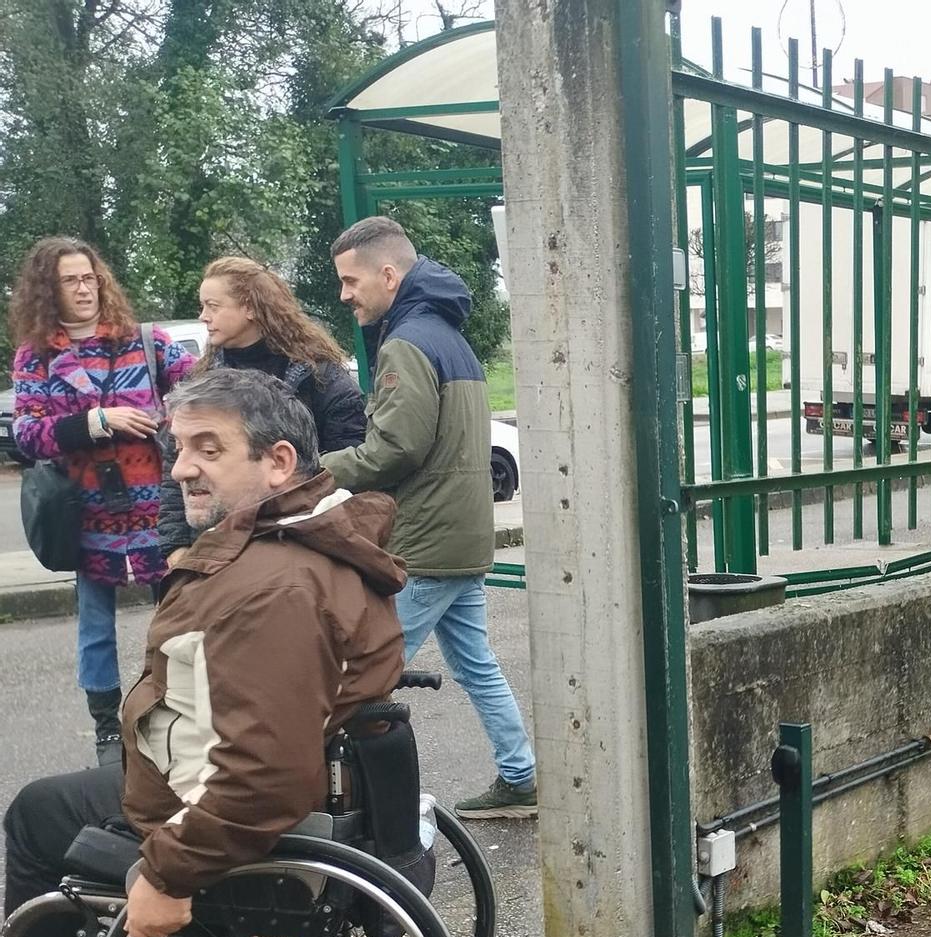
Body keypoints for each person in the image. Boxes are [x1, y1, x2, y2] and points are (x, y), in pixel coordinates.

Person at [2, 368, 405, 937]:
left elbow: (262, 777)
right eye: (179, 446)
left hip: (212, 810)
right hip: (234, 766)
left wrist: (166, 874)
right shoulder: (304, 538)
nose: (181, 467)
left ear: (279, 463)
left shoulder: (270, 587)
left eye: (208, 449)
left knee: (39, 813)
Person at [321, 215, 536, 821]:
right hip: (462, 533)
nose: (345, 295)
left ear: (387, 274)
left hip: (425, 542)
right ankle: (520, 775)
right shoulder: (448, 335)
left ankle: (365, 810)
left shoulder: (406, 342)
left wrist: (318, 471)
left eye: (349, 280)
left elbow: (397, 448)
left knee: (361, 675)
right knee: (475, 663)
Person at [8, 236, 194, 764]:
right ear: (50, 288)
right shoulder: (36, 357)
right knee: (95, 626)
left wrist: (179, 421)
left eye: (89, 277)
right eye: (70, 280)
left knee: (177, 617)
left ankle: (176, 708)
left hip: (161, 507)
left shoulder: (147, 343)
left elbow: (204, 393)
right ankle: (107, 729)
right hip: (88, 512)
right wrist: (97, 421)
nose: (84, 288)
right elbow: (27, 436)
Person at [152, 256, 368, 559]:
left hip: (301, 545)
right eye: (202, 307)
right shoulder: (200, 380)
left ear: (251, 307)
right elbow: (175, 464)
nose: (203, 316)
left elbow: (351, 463)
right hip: (216, 547)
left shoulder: (319, 376)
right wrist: (176, 547)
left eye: (213, 306)